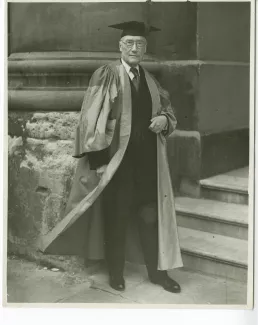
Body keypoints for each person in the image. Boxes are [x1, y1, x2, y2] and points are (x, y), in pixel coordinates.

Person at [39, 21, 183, 294]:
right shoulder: (107, 75)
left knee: (150, 218)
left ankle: (159, 273)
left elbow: (169, 112)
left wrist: (164, 120)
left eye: (140, 44)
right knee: (116, 218)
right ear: (120, 46)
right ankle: (116, 273)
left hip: (148, 163)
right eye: (129, 43)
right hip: (117, 163)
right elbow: (91, 121)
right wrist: (100, 163)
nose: (134, 48)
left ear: (145, 48)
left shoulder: (152, 81)